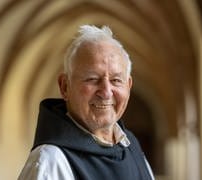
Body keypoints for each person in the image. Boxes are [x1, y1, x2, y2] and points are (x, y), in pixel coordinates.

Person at [18, 25, 155, 180]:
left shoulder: (131, 146)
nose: (106, 92)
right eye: (92, 79)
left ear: (128, 86)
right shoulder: (50, 162)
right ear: (65, 86)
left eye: (116, 80)